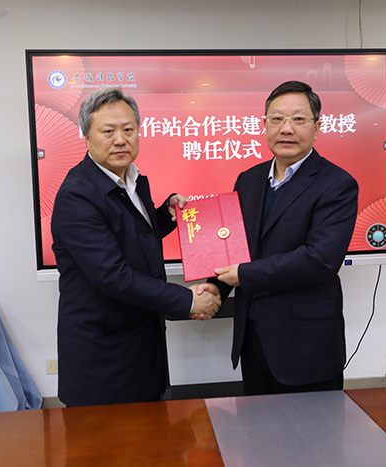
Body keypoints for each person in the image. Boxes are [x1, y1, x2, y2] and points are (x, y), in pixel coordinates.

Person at [51, 88, 221, 407]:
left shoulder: (132, 179)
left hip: (142, 344)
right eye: (108, 131)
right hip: (103, 356)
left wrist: (166, 216)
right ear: (86, 136)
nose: (120, 140)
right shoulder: (78, 195)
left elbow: (131, 234)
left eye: (128, 129)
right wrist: (187, 300)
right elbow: (112, 274)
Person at [208, 81, 359, 396]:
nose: (286, 128)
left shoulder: (337, 184)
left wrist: (244, 275)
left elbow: (320, 259)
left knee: (315, 427)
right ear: (264, 125)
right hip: (253, 337)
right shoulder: (248, 180)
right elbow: (236, 246)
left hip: (306, 343)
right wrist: (215, 287)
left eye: (298, 119)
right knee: (258, 424)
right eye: (277, 119)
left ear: (318, 126)